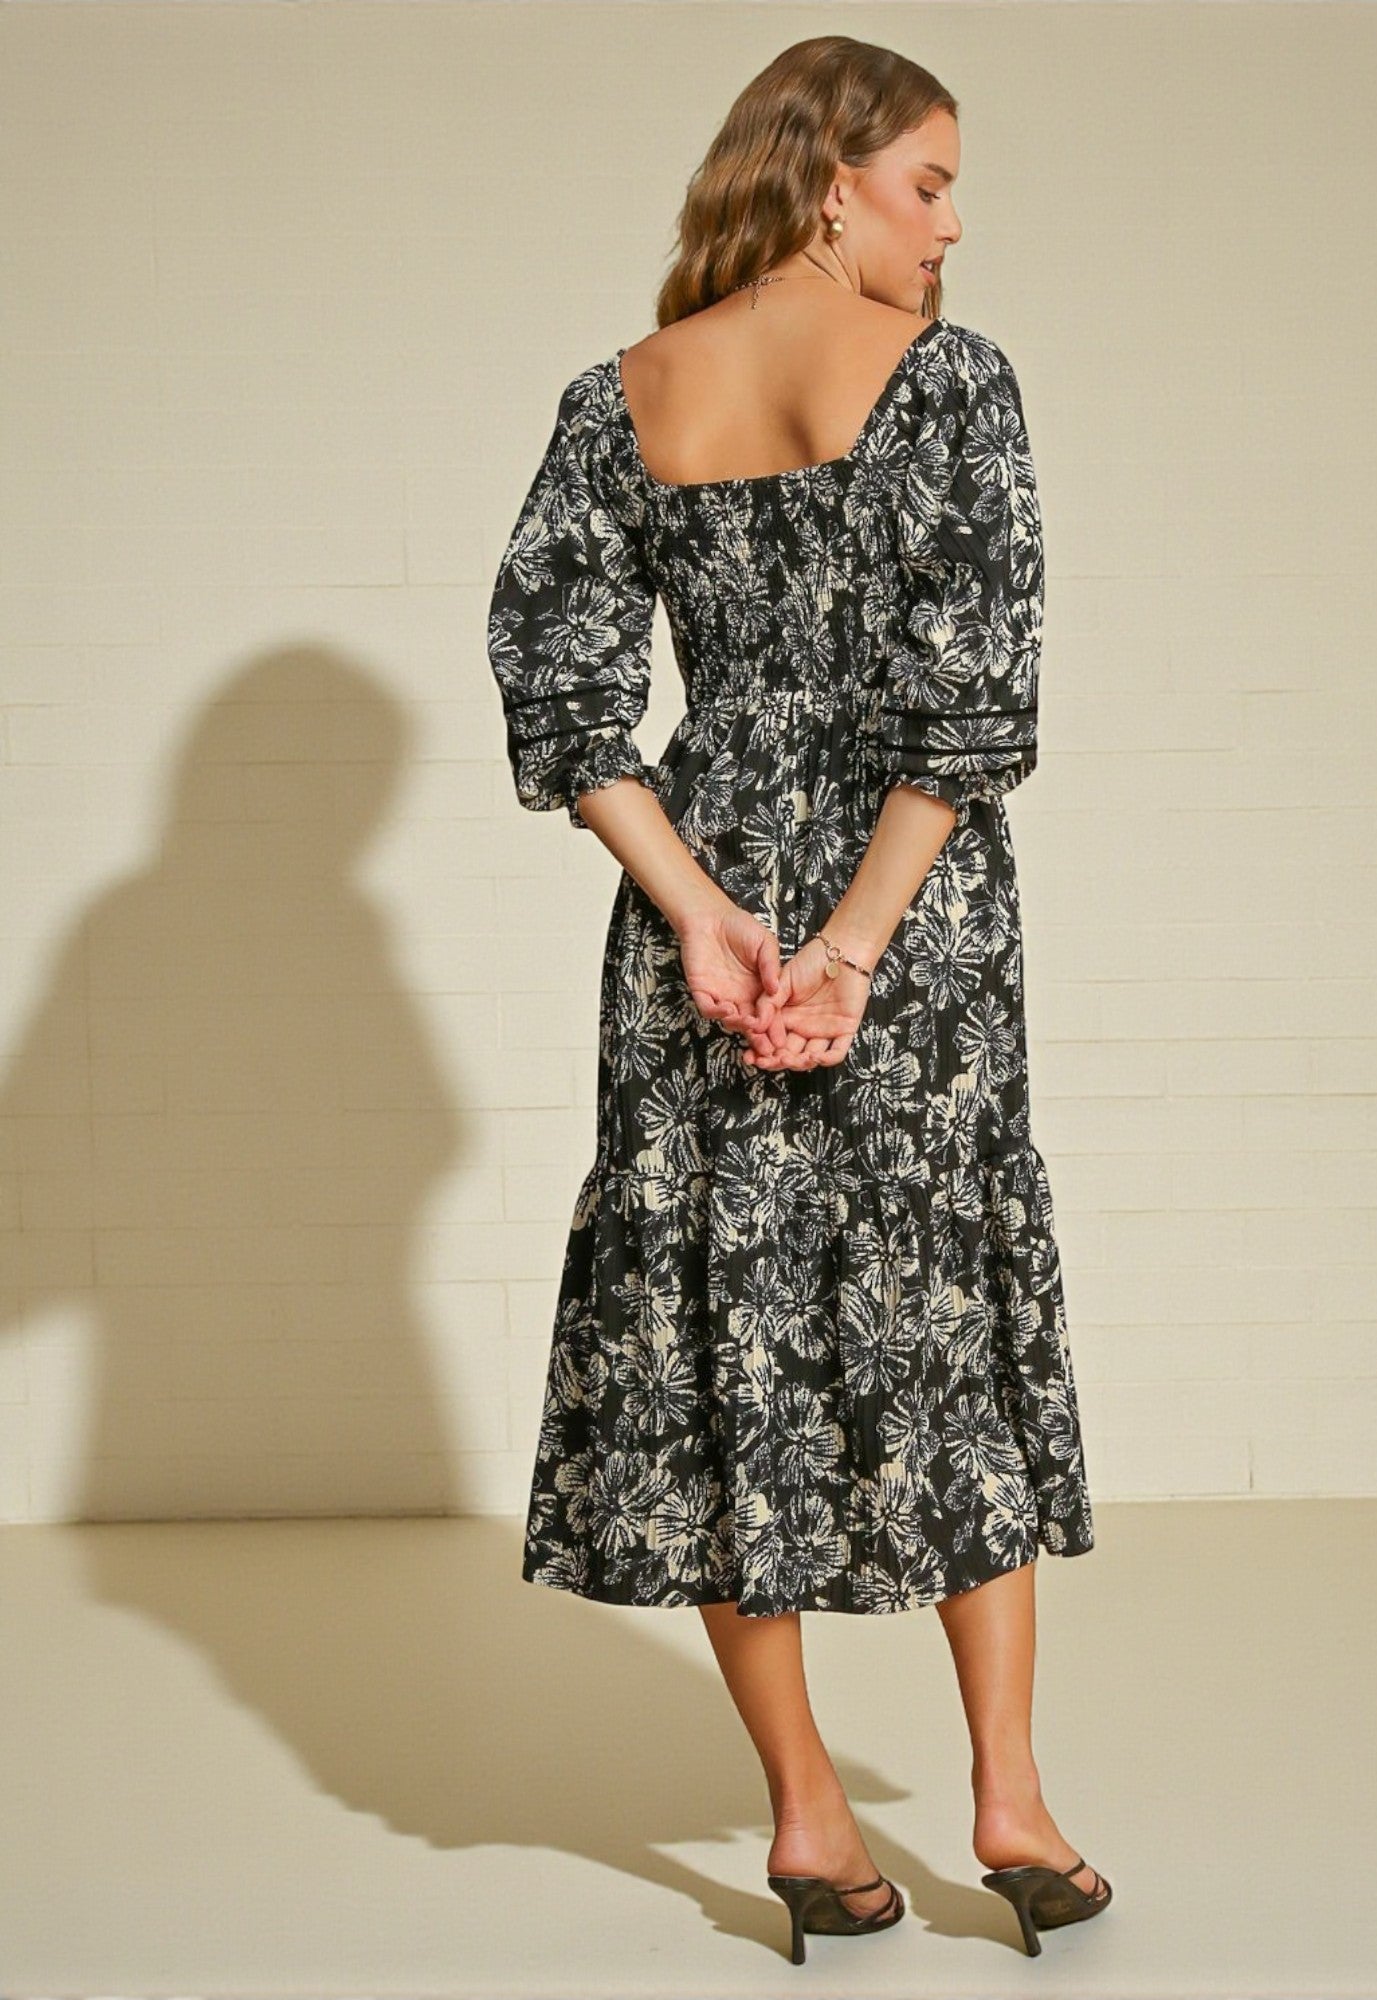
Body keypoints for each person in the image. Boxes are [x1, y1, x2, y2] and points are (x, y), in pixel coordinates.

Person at [486, 33, 1110, 1964]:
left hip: (711, 888)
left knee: (715, 1327)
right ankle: (1007, 1801)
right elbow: (968, 704)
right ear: (831, 180)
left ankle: (807, 1818)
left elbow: (564, 695)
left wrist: (696, 913)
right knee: (949, 1311)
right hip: (901, 907)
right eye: (929, 187)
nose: (949, 233)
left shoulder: (625, 398)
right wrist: (852, 941)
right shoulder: (954, 385)